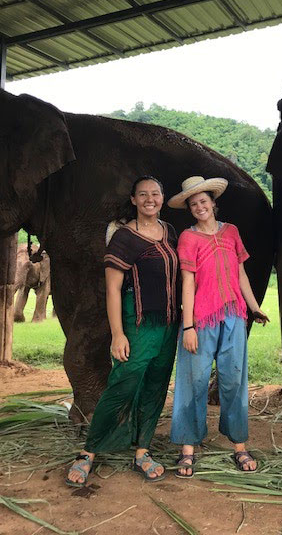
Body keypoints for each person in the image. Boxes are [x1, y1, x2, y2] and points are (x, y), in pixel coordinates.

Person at [66, 176, 181, 487]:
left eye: (155, 194)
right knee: (122, 385)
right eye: (142, 194)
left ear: (162, 197)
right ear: (133, 200)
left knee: (156, 386)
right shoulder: (123, 239)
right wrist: (118, 334)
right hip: (138, 323)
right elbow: (113, 290)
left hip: (169, 325)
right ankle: (89, 451)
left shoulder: (169, 231)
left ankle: (142, 450)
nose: (149, 199)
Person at [167, 175, 269, 478]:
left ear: (213, 202)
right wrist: (188, 327)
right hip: (201, 320)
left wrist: (254, 307)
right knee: (193, 380)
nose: (200, 206)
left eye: (203, 201)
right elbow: (187, 282)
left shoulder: (231, 232)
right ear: (190, 208)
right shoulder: (188, 238)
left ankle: (239, 445)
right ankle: (188, 447)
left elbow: (240, 274)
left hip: (234, 316)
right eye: (193, 203)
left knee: (234, 380)